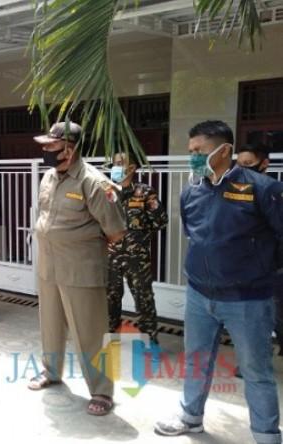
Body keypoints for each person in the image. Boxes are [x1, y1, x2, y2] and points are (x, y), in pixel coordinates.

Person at [155, 121, 283, 444]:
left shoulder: (262, 189)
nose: (193, 157)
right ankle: (191, 417)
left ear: (224, 150)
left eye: (199, 151)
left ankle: (266, 436)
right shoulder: (192, 192)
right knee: (196, 361)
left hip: (248, 299)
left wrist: (261, 272)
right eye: (191, 151)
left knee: (256, 371)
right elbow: (195, 236)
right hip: (199, 295)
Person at [30, 122, 126, 416]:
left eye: (51, 146)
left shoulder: (94, 182)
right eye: (45, 145)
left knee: (90, 331)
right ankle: (51, 371)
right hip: (49, 264)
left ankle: (101, 390)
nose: (46, 150)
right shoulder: (48, 177)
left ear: (69, 149)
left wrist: (81, 244)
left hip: (80, 267)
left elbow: (115, 231)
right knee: (50, 323)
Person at [107, 153, 168, 343]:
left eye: (120, 163)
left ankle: (149, 343)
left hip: (137, 259)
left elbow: (160, 221)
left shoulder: (145, 192)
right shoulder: (107, 191)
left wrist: (140, 238)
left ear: (132, 168)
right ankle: (110, 339)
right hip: (110, 256)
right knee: (109, 300)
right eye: (114, 164)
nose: (115, 167)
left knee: (144, 300)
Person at [235, 144, 283, 355]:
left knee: (277, 317)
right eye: (239, 165)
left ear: (264, 164)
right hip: (245, 269)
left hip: (272, 268)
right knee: (249, 321)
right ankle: (251, 362)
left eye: (248, 164)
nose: (242, 170)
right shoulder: (235, 193)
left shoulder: (274, 192)